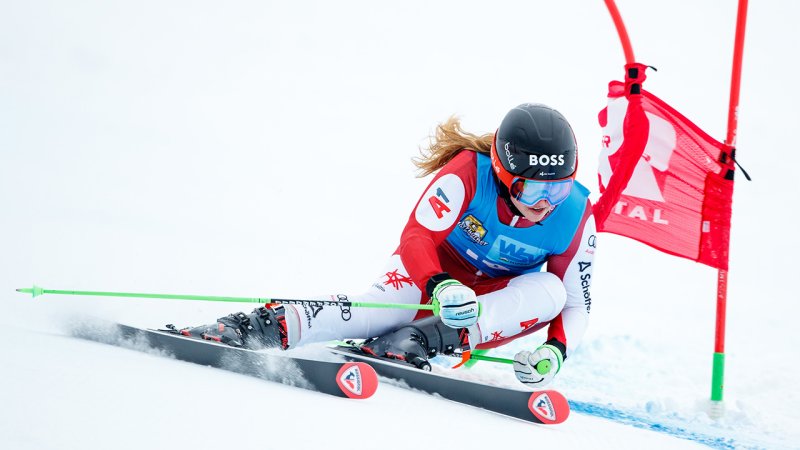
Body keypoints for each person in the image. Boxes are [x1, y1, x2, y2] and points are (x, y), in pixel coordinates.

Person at [183, 103, 596, 388]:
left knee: (553, 291)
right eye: (534, 188)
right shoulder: (468, 173)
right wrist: (439, 285)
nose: (545, 204)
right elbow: (417, 238)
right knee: (382, 308)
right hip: (427, 277)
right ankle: (268, 324)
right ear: (505, 173)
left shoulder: (576, 213)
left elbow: (577, 303)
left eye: (558, 189)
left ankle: (422, 341)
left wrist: (555, 352)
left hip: (480, 312)